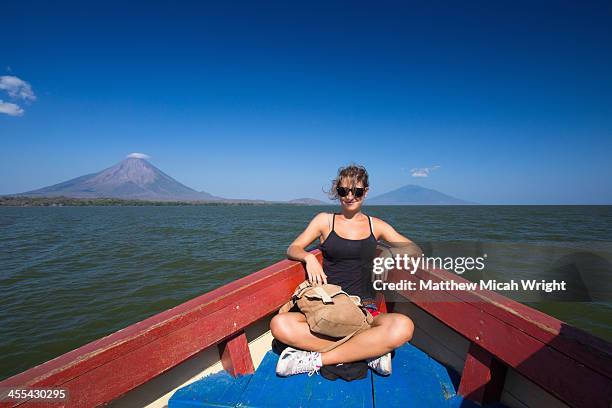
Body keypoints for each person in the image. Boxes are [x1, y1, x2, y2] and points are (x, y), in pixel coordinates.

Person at [271, 164, 422, 377]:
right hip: (328, 307)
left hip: (364, 311)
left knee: (403, 327)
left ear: (365, 192)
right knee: (280, 325)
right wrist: (308, 258)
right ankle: (368, 350)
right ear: (338, 192)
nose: (349, 196)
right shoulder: (324, 221)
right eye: (343, 191)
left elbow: (414, 249)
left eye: (357, 191)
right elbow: (292, 247)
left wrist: (389, 254)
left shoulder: (375, 225)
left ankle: (317, 359)